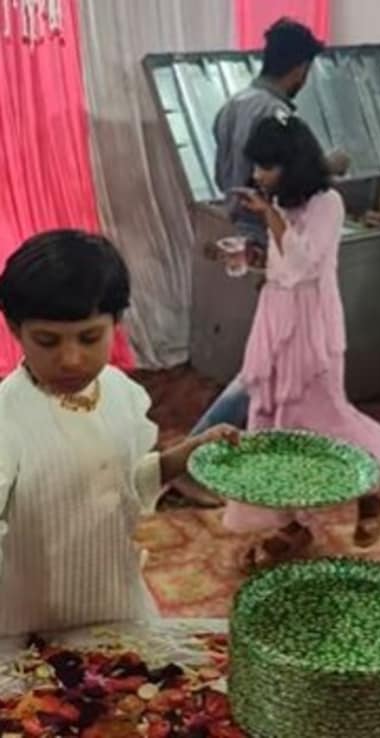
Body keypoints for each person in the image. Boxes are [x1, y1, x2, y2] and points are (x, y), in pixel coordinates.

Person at [0, 230, 239, 636]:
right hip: (35, 617)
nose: (71, 359)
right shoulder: (8, 419)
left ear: (117, 323)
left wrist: (183, 456)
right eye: (48, 341)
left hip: (115, 595)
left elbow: (121, 478)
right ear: (15, 329)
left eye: (89, 338)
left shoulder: (120, 393)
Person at [220, 114, 380, 573]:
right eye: (256, 166)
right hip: (275, 315)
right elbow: (281, 265)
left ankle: (375, 478)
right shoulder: (281, 202)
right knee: (269, 420)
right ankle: (291, 522)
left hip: (311, 323)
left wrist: (268, 216)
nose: (257, 175)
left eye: (266, 166)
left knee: (324, 416)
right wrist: (252, 253)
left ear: (291, 163)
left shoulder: (327, 203)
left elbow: (303, 266)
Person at [191, 17, 349, 441]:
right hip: (266, 232)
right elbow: (292, 172)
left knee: (264, 373)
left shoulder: (232, 104)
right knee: (264, 373)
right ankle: (199, 449)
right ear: (300, 69)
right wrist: (329, 165)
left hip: (243, 220)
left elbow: (227, 171)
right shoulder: (275, 115)